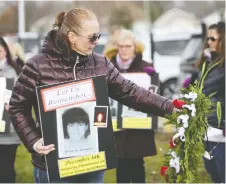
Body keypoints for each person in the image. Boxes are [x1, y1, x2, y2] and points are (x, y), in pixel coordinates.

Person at [8, 8, 177, 183]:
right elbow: (17, 106)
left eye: (99, 35)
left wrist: (172, 108)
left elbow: (132, 92)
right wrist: (34, 141)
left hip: (92, 164)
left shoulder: (100, 63)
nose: (97, 42)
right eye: (92, 37)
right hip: (52, 166)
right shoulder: (38, 65)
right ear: (72, 37)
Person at [104, 29, 157, 183]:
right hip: (116, 125)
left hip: (138, 125)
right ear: (116, 48)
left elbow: (153, 94)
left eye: (128, 46)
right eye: (121, 46)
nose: (124, 50)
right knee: (120, 164)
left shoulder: (146, 68)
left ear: (135, 47)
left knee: (137, 163)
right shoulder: (108, 67)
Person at [191, 22, 225, 183]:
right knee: (214, 174)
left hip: (221, 131)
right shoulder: (206, 64)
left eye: (213, 38)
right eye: (207, 38)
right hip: (206, 129)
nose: (209, 42)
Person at [0, 36, 21, 183]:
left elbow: (24, 100)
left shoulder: (15, 72)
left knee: (6, 169)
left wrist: (13, 104)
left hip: (9, 132)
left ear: (6, 51)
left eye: (0, 50)